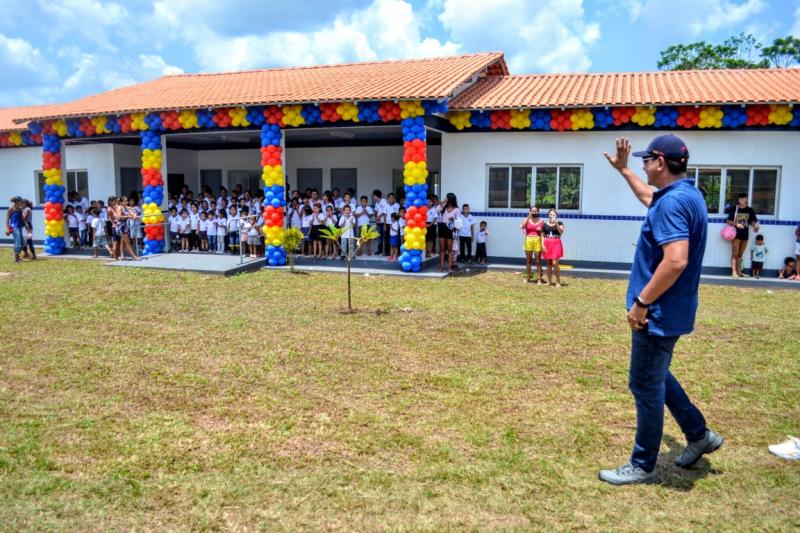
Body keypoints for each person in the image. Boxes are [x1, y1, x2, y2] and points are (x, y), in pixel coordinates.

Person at [600, 134, 722, 485]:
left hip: (657, 313)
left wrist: (642, 303)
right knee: (657, 375)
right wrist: (623, 171)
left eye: (645, 160)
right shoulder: (686, 195)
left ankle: (643, 463)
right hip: (673, 310)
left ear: (661, 163)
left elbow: (675, 260)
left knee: (644, 385)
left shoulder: (672, 204)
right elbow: (647, 198)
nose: (642, 165)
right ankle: (699, 435)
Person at [726, 193, 759, 277]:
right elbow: (728, 221)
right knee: (735, 254)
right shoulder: (734, 209)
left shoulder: (750, 210)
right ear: (739, 200)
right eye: (744, 199)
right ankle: (733, 272)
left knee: (741, 254)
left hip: (745, 235)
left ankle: (739, 271)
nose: (746, 200)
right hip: (736, 235)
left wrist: (755, 226)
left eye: (746, 198)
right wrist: (737, 224)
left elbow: (753, 221)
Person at [520, 205, 544, 284]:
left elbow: (543, 233)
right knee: (528, 260)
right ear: (530, 211)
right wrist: (528, 217)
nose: (534, 212)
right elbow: (522, 227)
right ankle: (528, 278)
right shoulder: (527, 219)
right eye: (532, 211)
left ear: (538, 211)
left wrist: (540, 230)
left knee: (538, 261)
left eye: (535, 211)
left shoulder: (541, 221)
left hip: (537, 239)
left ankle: (539, 279)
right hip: (528, 239)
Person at [542, 208, 565, 287]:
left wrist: (556, 224)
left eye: (554, 214)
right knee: (548, 263)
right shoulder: (544, 224)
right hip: (547, 244)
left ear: (556, 215)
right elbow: (542, 236)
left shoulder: (560, 223)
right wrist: (542, 245)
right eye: (551, 214)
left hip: (556, 244)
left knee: (555, 263)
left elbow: (561, 232)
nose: (552, 215)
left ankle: (558, 282)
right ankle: (549, 281)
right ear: (548, 215)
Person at [438, 193, 460, 273]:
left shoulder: (457, 209)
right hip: (442, 227)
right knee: (442, 249)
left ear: (450, 199)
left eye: (447, 198)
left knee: (450, 250)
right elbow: (436, 210)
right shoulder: (444, 207)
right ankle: (441, 266)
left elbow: (459, 222)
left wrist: (453, 219)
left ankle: (450, 267)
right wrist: (442, 203)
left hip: (450, 229)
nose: (446, 199)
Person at [5, 197, 25, 263]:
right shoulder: (11, 209)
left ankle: (17, 255)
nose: (21, 202)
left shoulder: (20, 209)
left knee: (24, 243)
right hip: (14, 227)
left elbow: (22, 218)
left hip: (19, 227)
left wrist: (26, 226)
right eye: (20, 201)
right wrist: (8, 229)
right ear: (16, 201)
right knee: (18, 242)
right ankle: (17, 258)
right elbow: (7, 219)